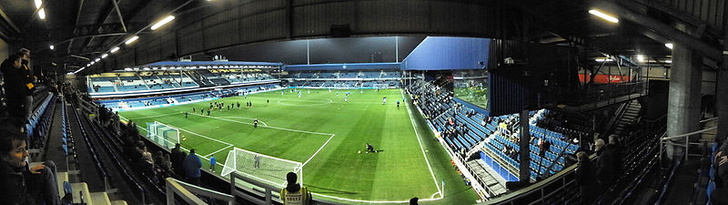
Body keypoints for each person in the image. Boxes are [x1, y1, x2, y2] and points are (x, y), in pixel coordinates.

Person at [0, 121, 60, 205]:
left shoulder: (7, 167)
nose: (26, 154)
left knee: (49, 165)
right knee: (45, 171)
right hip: (24, 198)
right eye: (20, 150)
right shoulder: (9, 183)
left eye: (25, 149)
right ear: (4, 156)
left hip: (22, 190)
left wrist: (27, 173)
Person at [1, 54, 30, 126]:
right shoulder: (13, 74)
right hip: (16, 103)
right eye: (20, 62)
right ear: (15, 62)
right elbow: (18, 89)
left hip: (15, 102)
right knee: (17, 122)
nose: (21, 65)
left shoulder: (11, 72)